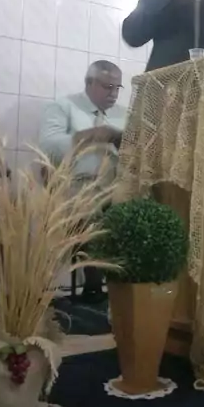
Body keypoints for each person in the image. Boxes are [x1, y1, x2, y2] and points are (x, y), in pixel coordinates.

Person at [39, 61, 127, 301]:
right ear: (89, 82)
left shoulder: (124, 115)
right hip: (77, 186)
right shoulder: (63, 107)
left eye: (117, 88)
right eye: (108, 87)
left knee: (137, 207)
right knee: (87, 205)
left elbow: (139, 150)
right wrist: (90, 135)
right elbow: (48, 146)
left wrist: (119, 139)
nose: (113, 94)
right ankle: (94, 284)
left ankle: (124, 289)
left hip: (117, 185)